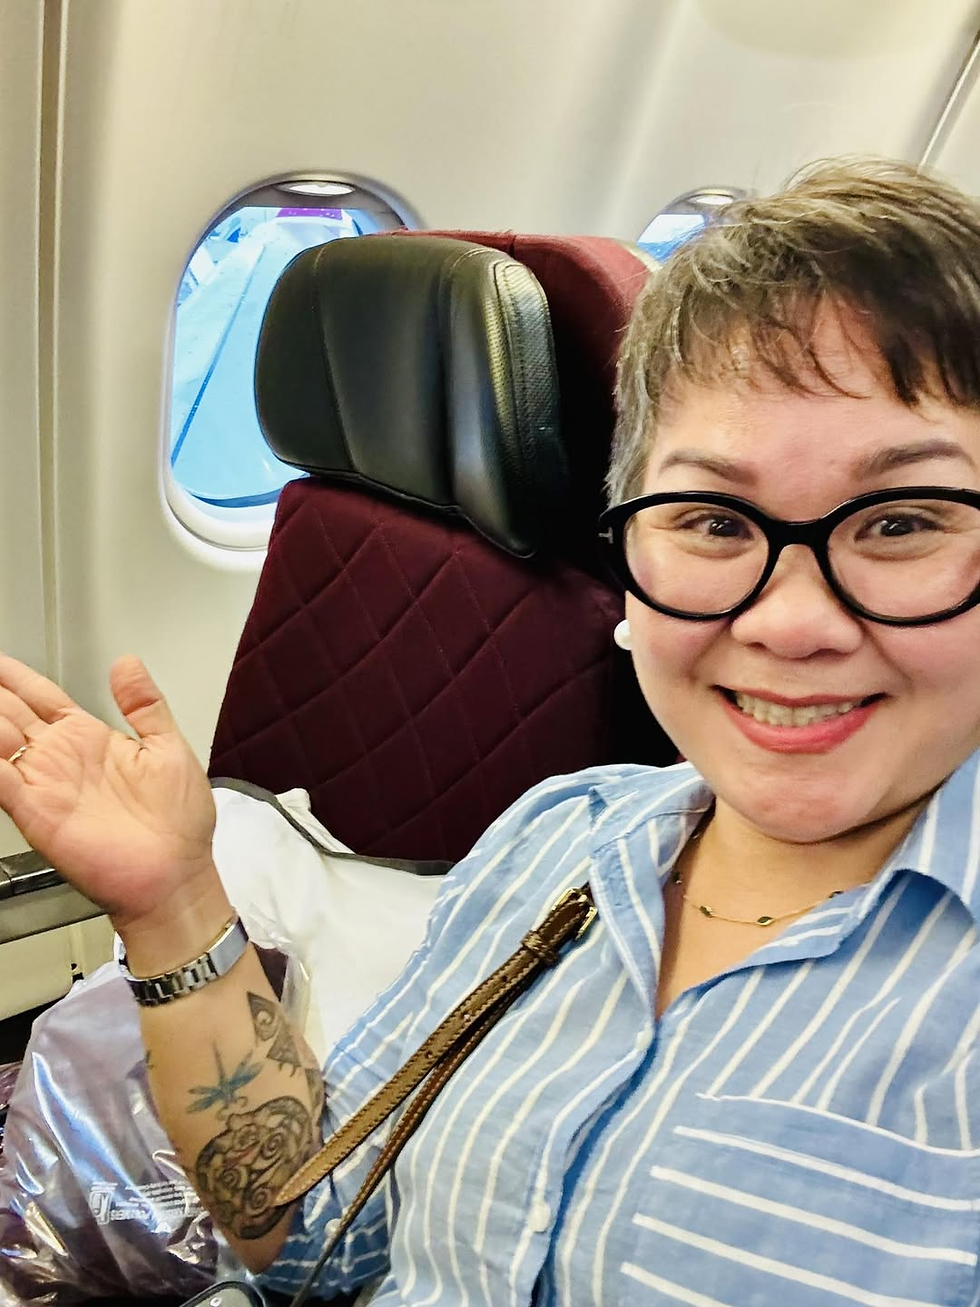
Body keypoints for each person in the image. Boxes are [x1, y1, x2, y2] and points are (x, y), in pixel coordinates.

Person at [2, 157, 980, 1305]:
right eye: (712, 519)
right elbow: (314, 1229)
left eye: (900, 520)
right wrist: (173, 905)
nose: (788, 621)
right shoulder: (557, 839)